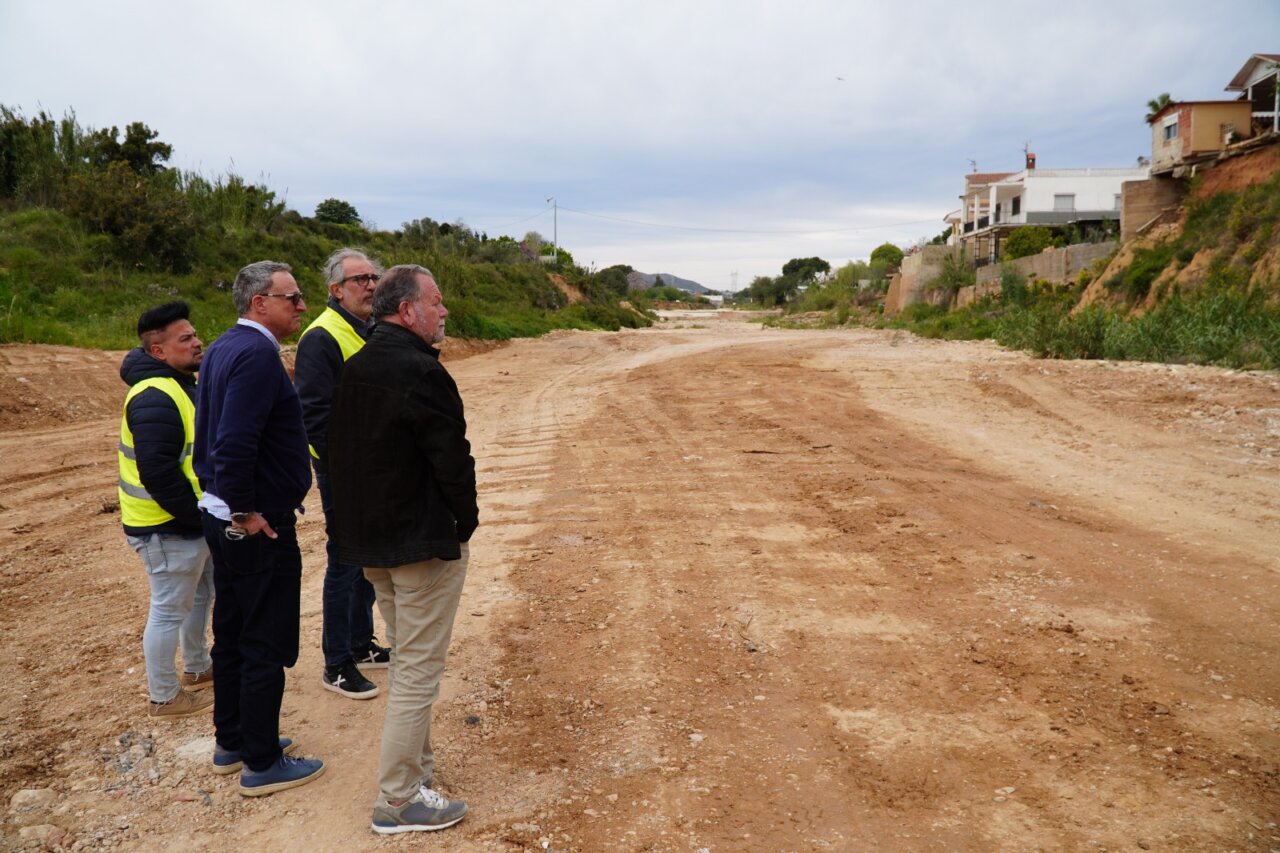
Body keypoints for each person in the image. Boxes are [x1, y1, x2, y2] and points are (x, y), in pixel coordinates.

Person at [329, 265, 476, 834]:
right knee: (417, 670)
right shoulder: (420, 370)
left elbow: (340, 457)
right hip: (421, 544)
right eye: (436, 302)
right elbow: (452, 460)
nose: (444, 313)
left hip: (375, 546)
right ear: (407, 310)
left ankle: (417, 777)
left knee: (407, 660)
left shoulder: (358, 367)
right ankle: (397, 801)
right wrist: (464, 522)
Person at [193, 260, 324, 797]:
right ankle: (262, 763)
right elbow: (235, 440)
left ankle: (235, 741)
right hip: (252, 525)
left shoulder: (226, 346)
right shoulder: (254, 355)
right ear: (258, 304)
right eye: (290, 297)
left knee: (232, 633)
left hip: (222, 517)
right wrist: (247, 511)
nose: (300, 306)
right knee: (264, 640)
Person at [295, 248, 390, 700]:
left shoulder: (367, 329)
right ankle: (336, 663)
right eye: (360, 280)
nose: (371, 285)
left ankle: (360, 643)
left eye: (374, 277)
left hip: (370, 468)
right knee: (345, 563)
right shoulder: (322, 336)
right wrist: (343, 472)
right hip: (345, 472)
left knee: (367, 560)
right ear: (335, 290)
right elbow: (314, 417)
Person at [118, 301, 214, 719]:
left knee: (199, 597)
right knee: (169, 608)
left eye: (195, 335)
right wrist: (195, 515)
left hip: (184, 523)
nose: (198, 343)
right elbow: (157, 471)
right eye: (186, 339)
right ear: (158, 351)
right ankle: (164, 696)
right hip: (166, 527)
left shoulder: (176, 385)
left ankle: (197, 667)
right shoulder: (155, 395)